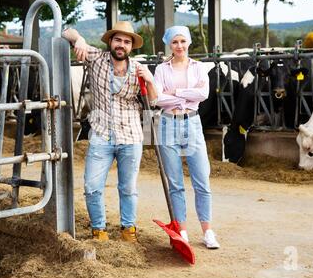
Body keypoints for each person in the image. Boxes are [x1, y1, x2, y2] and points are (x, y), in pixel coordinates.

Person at [62, 21, 157, 242]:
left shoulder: (139, 69)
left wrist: (150, 80)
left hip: (131, 135)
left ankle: (128, 229)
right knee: (92, 186)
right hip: (101, 134)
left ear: (131, 46)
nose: (121, 45)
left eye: (126, 41)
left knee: (128, 187)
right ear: (110, 42)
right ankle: (99, 230)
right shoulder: (96, 58)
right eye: (118, 40)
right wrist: (79, 39)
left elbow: (154, 101)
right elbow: (65, 30)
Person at [153, 26, 220, 249]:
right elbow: (157, 99)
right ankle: (181, 229)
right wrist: (185, 93)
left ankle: (207, 230)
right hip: (166, 124)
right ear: (169, 45)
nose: (179, 46)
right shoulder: (161, 69)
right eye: (174, 42)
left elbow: (203, 94)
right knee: (175, 182)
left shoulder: (199, 67)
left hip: (191, 122)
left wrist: (175, 93)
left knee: (202, 179)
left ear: (189, 42)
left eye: (182, 41)